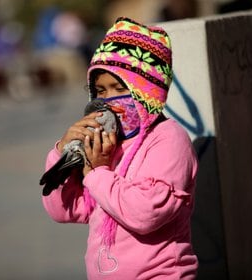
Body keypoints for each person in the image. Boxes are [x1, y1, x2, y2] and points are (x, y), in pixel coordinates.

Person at [41, 17, 198, 279]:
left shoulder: (169, 140)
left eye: (119, 88)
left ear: (148, 92)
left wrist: (97, 172)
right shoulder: (110, 140)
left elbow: (147, 213)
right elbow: (65, 209)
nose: (109, 101)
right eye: (100, 91)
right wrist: (63, 154)